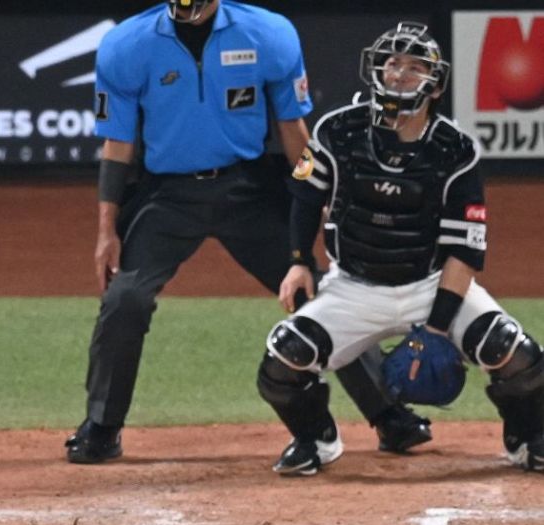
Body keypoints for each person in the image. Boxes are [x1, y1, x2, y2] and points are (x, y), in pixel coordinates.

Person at [65, 0, 430, 465]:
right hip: (168, 195)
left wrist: (322, 199)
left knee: (317, 294)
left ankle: (388, 415)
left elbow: (293, 131)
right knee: (125, 299)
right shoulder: (126, 44)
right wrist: (106, 231)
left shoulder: (269, 34)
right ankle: (102, 426)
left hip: (249, 190)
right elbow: (117, 144)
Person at [259, 21, 544, 475]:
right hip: (353, 287)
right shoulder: (335, 130)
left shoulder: (457, 150)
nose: (399, 75)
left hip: (431, 284)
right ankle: (316, 439)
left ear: (435, 85)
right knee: (283, 360)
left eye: (414, 67)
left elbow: (465, 252)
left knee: (516, 354)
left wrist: (436, 328)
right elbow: (305, 195)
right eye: (392, 64)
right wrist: (299, 263)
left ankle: (527, 437)